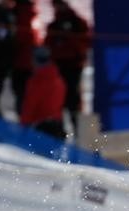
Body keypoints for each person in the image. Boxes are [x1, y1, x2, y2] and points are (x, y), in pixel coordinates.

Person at [44, 0, 91, 135]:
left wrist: (69, 38)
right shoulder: (54, 25)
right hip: (58, 69)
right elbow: (48, 46)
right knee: (58, 102)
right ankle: (60, 134)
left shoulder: (77, 22)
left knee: (73, 102)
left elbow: (84, 44)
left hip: (73, 68)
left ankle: (79, 134)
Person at [20, 46, 67, 139]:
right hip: (58, 125)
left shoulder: (37, 80)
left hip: (41, 128)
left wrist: (23, 125)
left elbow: (30, 104)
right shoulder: (58, 78)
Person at [10, 0, 40, 114]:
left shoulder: (18, 15)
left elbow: (21, 40)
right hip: (29, 64)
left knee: (22, 97)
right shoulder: (33, 16)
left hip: (20, 63)